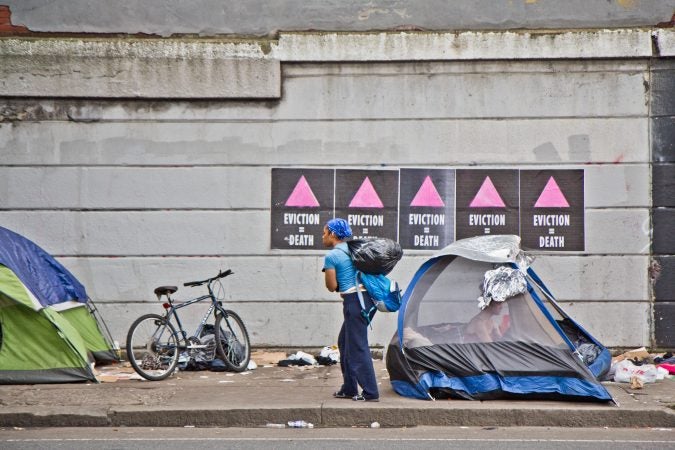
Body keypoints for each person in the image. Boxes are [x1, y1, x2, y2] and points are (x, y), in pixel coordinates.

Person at [322, 218, 379, 402]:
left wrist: (337, 281)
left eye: (325, 232)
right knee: (345, 342)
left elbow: (331, 286)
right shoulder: (353, 249)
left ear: (332, 233)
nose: (323, 236)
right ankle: (349, 388)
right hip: (366, 300)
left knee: (357, 347)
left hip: (355, 302)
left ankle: (370, 392)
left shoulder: (332, 256)